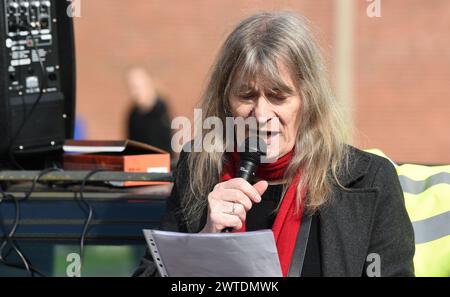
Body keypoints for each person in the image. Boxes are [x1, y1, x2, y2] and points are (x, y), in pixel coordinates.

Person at [134, 12, 415, 277]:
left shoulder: (368, 180)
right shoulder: (201, 166)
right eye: (246, 95)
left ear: (309, 100)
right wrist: (203, 242)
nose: (261, 114)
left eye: (278, 96)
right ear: (225, 100)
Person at [126, 66, 172, 153]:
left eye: (136, 87)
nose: (133, 92)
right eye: (130, 88)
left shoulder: (161, 111)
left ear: (148, 84)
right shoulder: (133, 114)